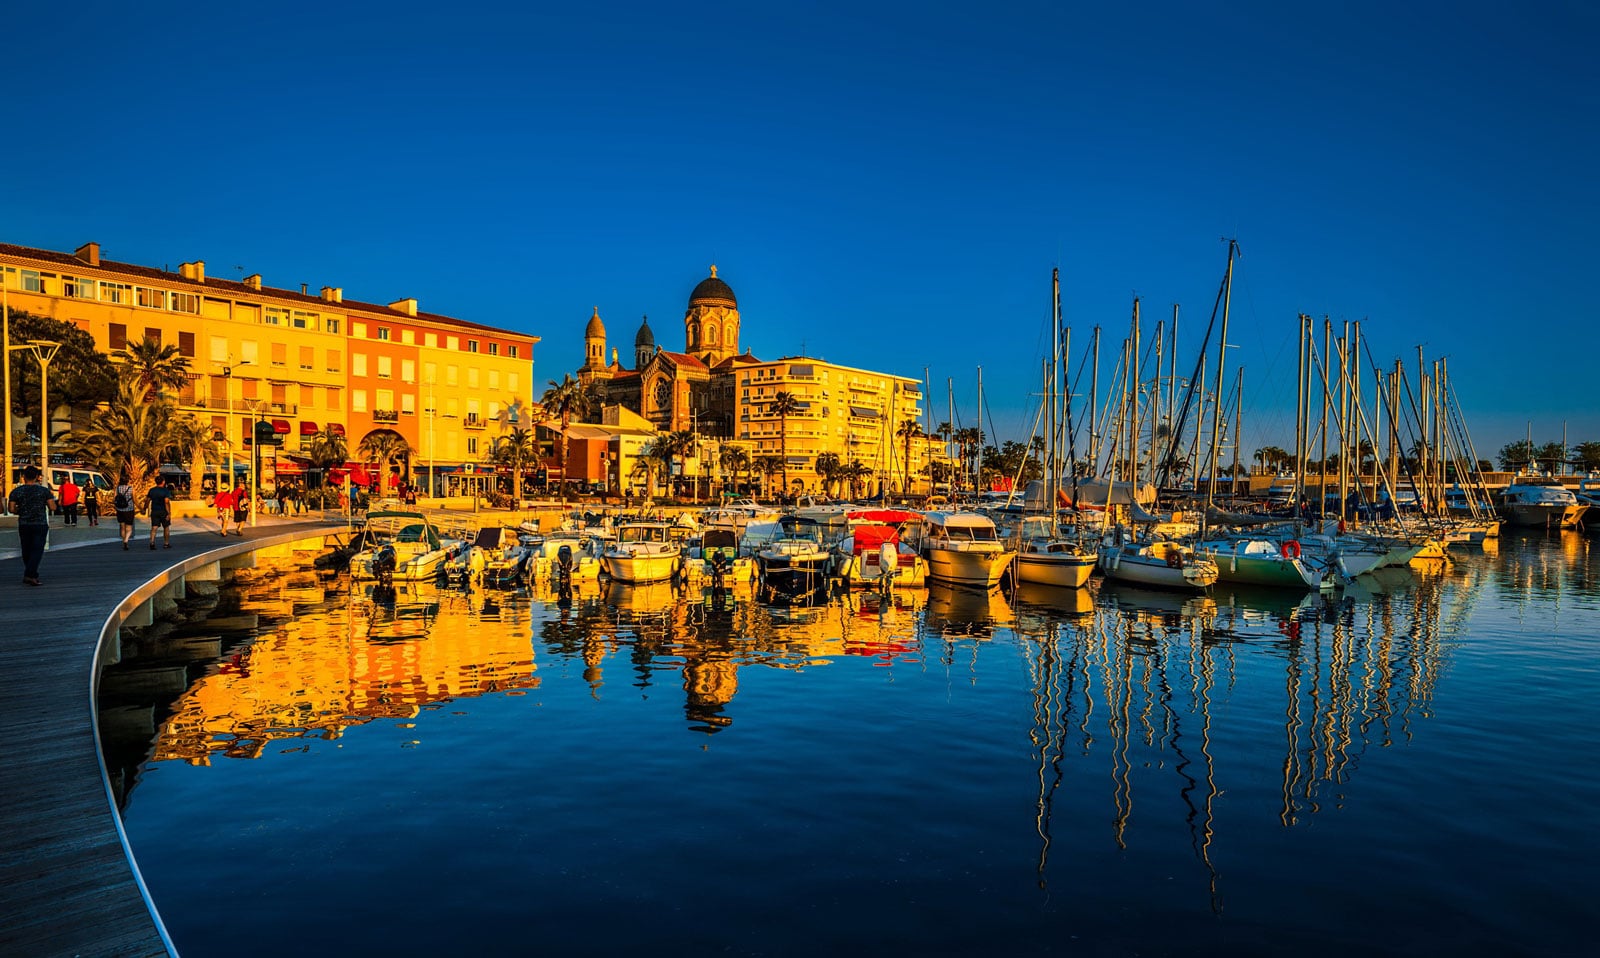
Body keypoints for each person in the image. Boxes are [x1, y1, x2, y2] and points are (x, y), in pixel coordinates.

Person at [9, 465, 57, 585]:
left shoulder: (16, 491)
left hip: (24, 524)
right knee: (37, 550)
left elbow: (11, 509)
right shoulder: (44, 491)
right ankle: (30, 574)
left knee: (26, 549)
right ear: (37, 477)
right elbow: (52, 507)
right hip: (40, 524)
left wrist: (20, 510)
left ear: (23, 477)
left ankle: (30, 574)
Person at [147, 474, 176, 549]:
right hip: (163, 511)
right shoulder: (165, 491)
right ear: (163, 482)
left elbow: (147, 500)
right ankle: (166, 543)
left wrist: (144, 508)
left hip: (155, 511)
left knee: (154, 527)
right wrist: (169, 513)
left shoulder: (152, 490)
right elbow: (166, 502)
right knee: (166, 527)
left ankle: (152, 542)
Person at [113, 472, 138, 550]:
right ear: (127, 480)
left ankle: (124, 540)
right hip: (129, 509)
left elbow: (114, 499)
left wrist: (115, 507)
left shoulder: (117, 488)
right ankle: (126, 541)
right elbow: (135, 500)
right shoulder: (131, 489)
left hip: (120, 510)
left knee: (122, 527)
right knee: (129, 527)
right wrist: (141, 508)